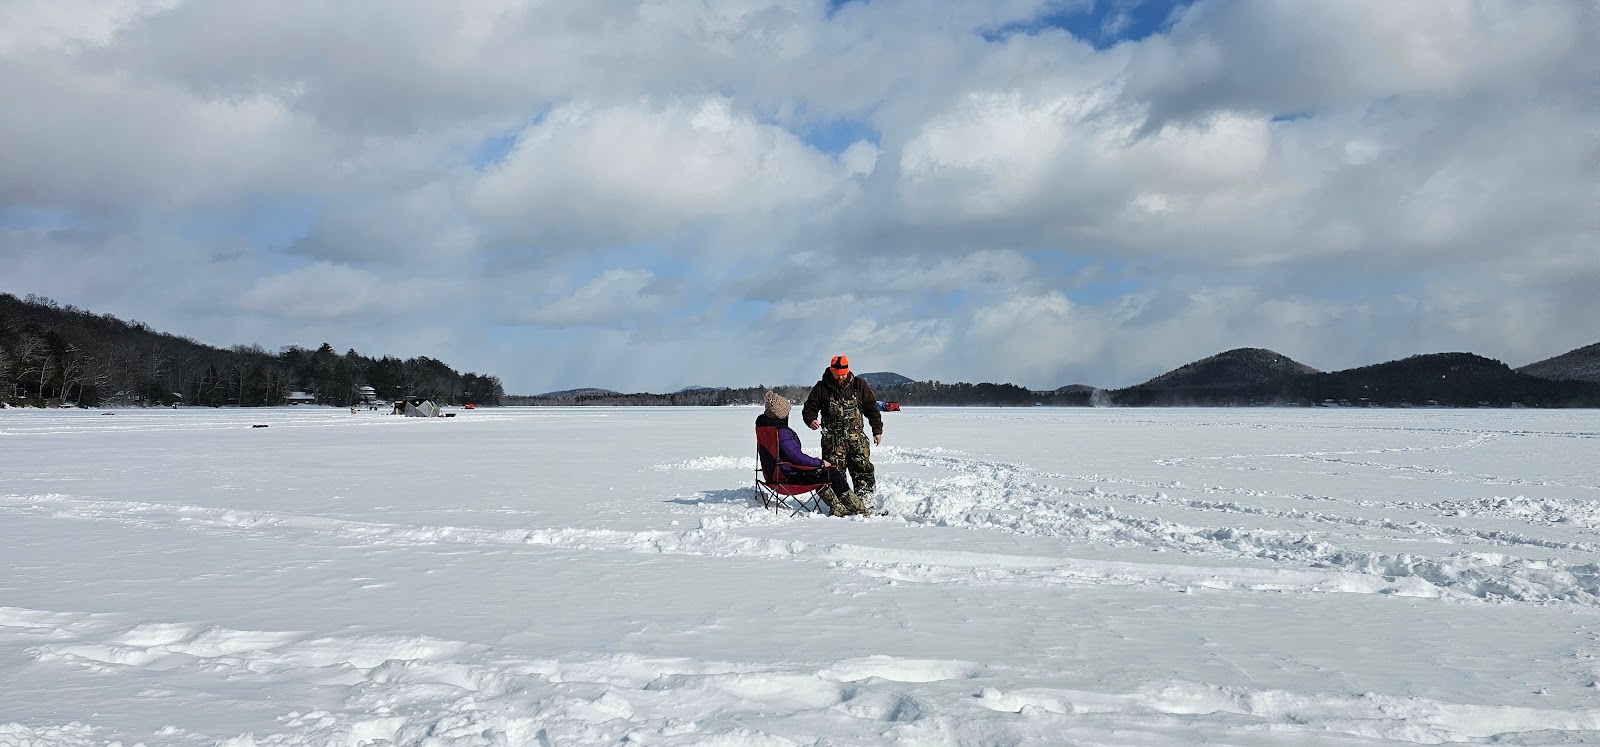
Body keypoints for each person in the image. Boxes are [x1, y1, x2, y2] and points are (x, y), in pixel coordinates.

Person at [756, 390, 868, 516]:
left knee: (820, 473)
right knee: (831, 473)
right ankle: (860, 510)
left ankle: (838, 507)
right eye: (786, 413)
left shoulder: (765, 428)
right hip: (789, 478)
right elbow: (795, 458)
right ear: (780, 415)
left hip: (775, 475)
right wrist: (819, 463)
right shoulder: (781, 432)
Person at [802, 355, 883, 507]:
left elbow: (872, 409)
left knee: (863, 471)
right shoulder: (821, 388)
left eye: (843, 374)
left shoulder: (859, 385)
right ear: (831, 371)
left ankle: (866, 503)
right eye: (837, 375)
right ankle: (841, 506)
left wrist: (877, 430)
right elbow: (809, 408)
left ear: (848, 371)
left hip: (857, 440)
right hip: (832, 442)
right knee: (835, 474)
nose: (840, 377)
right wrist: (811, 419)